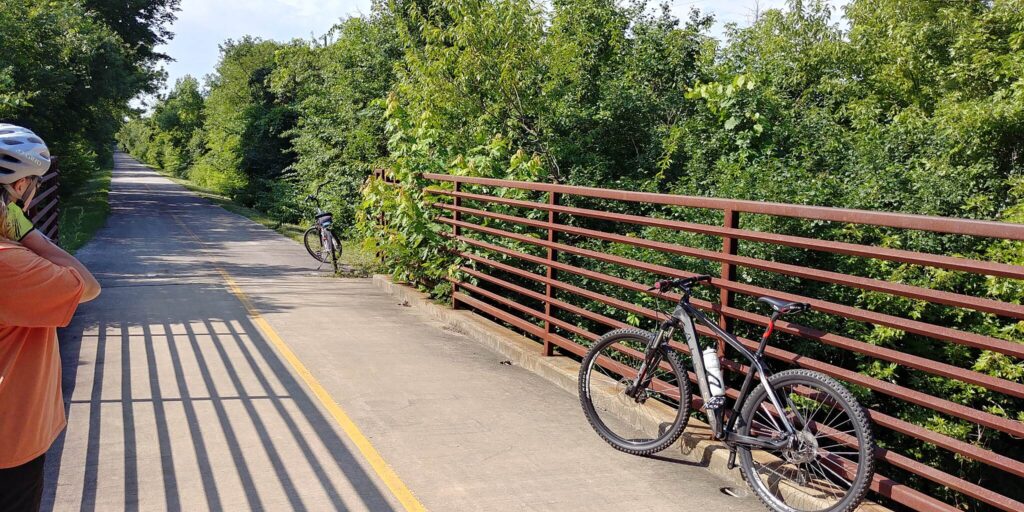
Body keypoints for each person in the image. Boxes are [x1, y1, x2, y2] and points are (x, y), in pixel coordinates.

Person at [0, 124, 101, 512]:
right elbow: (87, 286)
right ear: (20, 187)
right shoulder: (12, 263)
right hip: (10, 440)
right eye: (33, 184)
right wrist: (29, 234)